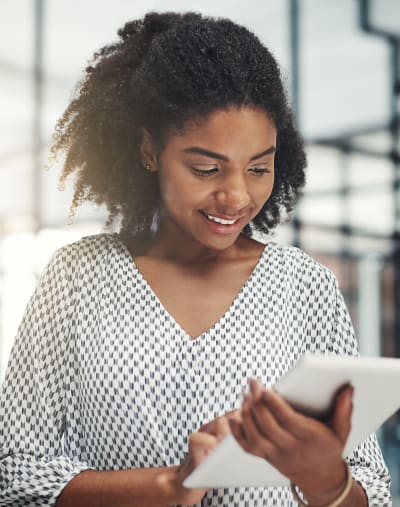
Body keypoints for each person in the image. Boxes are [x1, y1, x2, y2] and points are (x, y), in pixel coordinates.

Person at [0, 11, 392, 507]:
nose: (235, 196)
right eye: (206, 168)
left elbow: (372, 492)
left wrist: (325, 481)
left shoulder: (304, 286)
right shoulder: (77, 278)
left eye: (258, 168)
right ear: (149, 149)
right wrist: (171, 485)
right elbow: (15, 475)